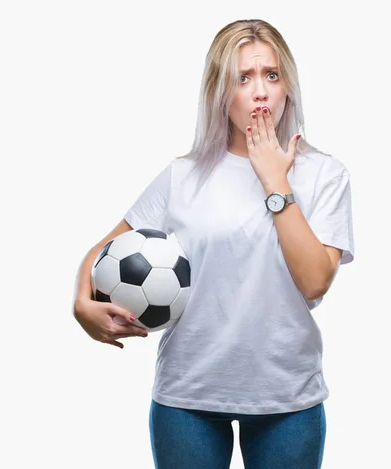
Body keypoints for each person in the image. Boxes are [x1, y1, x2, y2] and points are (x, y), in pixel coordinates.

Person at [73, 18, 355, 469]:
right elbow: (105, 249)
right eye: (243, 78)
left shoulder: (324, 174)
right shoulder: (184, 175)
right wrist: (80, 304)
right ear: (221, 94)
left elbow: (315, 282)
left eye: (271, 75)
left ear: (288, 88)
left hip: (287, 396)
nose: (260, 92)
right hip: (189, 395)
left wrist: (274, 181)